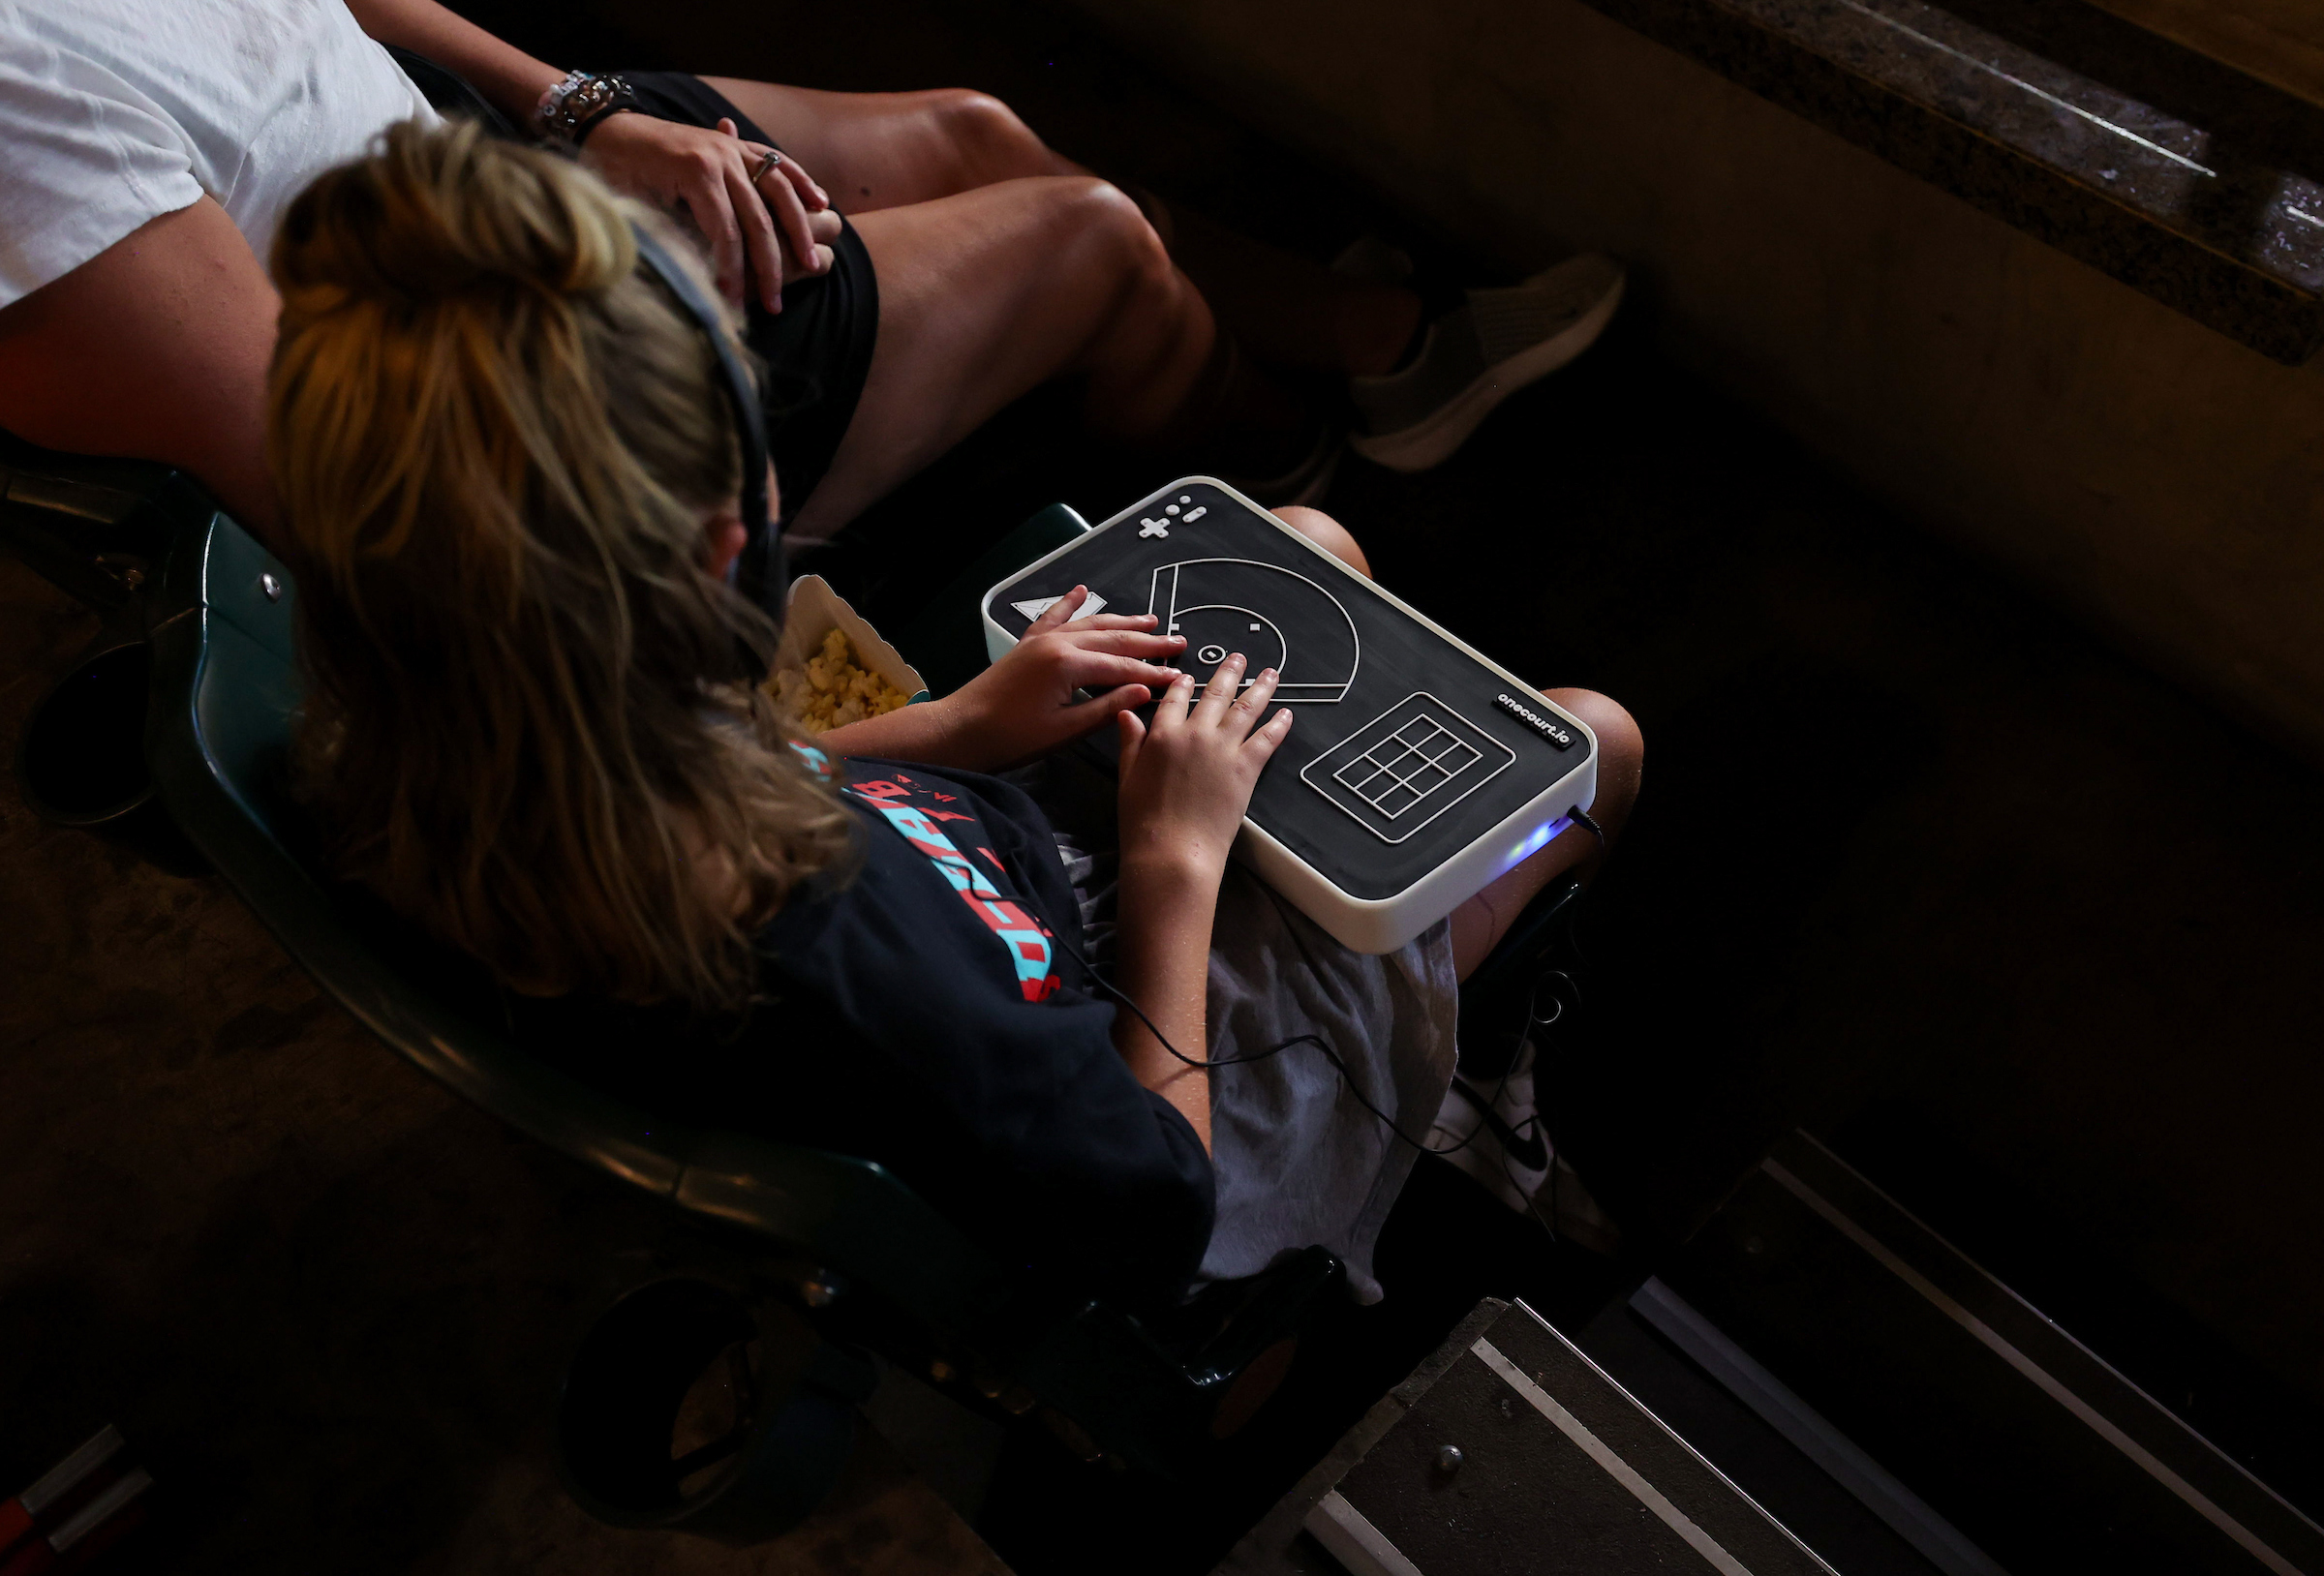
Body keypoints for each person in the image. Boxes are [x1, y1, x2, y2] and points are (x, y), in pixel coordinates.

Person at [264, 123, 1643, 1304]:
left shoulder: (418, 747)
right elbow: (1158, 1206)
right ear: (714, 556)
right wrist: (1176, 864)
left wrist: (961, 727)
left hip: (971, 880)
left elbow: (738, 772)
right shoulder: (845, 951)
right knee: (1591, 746)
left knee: (1309, 540)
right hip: (1151, 1064)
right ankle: (1467, 1083)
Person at [0, 0, 1623, 561]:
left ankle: (1380, 353)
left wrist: (579, 107)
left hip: (498, 172)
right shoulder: (18, 118)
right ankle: (1310, 474)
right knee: (1095, 245)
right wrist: (634, 305)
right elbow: (351, 486)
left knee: (977, 133)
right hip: (526, 385)